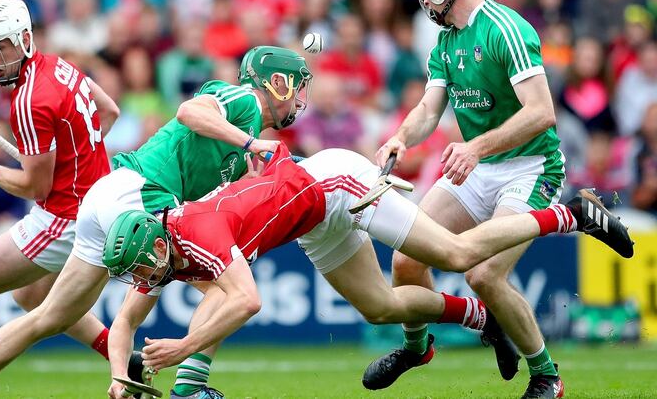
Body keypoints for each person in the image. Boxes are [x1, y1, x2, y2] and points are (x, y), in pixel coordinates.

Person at [100, 144, 632, 399]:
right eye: (136, 272)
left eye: (142, 268)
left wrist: (185, 357)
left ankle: (572, 213)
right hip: (310, 220)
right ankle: (479, 319)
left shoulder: (198, 234)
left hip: (336, 184)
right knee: (381, 305)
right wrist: (119, 380)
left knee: (453, 255)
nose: (142, 279)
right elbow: (124, 322)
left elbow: (243, 300)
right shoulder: (157, 247)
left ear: (156, 244)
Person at [0, 46, 314, 399]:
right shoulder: (243, 100)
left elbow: (204, 199)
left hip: (109, 198)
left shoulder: (239, 152)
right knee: (229, 290)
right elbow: (189, 112)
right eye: (297, 87)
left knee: (51, 316)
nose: (299, 99)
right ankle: (190, 387)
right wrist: (250, 144)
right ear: (275, 83)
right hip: (142, 197)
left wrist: (246, 180)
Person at [374, 0, 570, 397]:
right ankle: (417, 346)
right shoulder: (446, 41)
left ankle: (546, 375)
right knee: (407, 256)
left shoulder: (506, 28)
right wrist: (402, 137)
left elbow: (542, 113)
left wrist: (477, 146)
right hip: (479, 166)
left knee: (483, 275)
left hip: (530, 167)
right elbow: (429, 107)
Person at [0, 0, 120, 399]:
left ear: (26, 38)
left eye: (2, 45)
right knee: (31, 295)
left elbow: (34, 188)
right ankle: (126, 359)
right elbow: (110, 111)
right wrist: (75, 159)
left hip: (64, 219)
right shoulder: (60, 66)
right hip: (96, 204)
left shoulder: (29, 100)